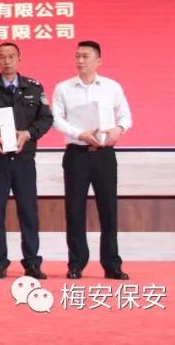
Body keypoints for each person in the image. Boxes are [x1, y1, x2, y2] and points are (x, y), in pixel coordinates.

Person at [0, 42, 53, 279]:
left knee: (28, 211)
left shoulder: (34, 87)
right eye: (2, 57)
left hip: (24, 160)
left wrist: (29, 133)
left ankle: (32, 262)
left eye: (11, 56)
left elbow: (45, 119)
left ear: (19, 59)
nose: (7, 61)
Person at [51, 40, 132, 280]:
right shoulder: (63, 88)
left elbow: (125, 116)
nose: (80, 60)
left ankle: (112, 264)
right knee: (74, 209)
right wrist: (80, 134)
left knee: (108, 209)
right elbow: (57, 120)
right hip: (76, 154)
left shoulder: (111, 87)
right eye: (77, 56)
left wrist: (119, 129)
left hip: (104, 155)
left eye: (85, 56)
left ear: (98, 61)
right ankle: (76, 263)